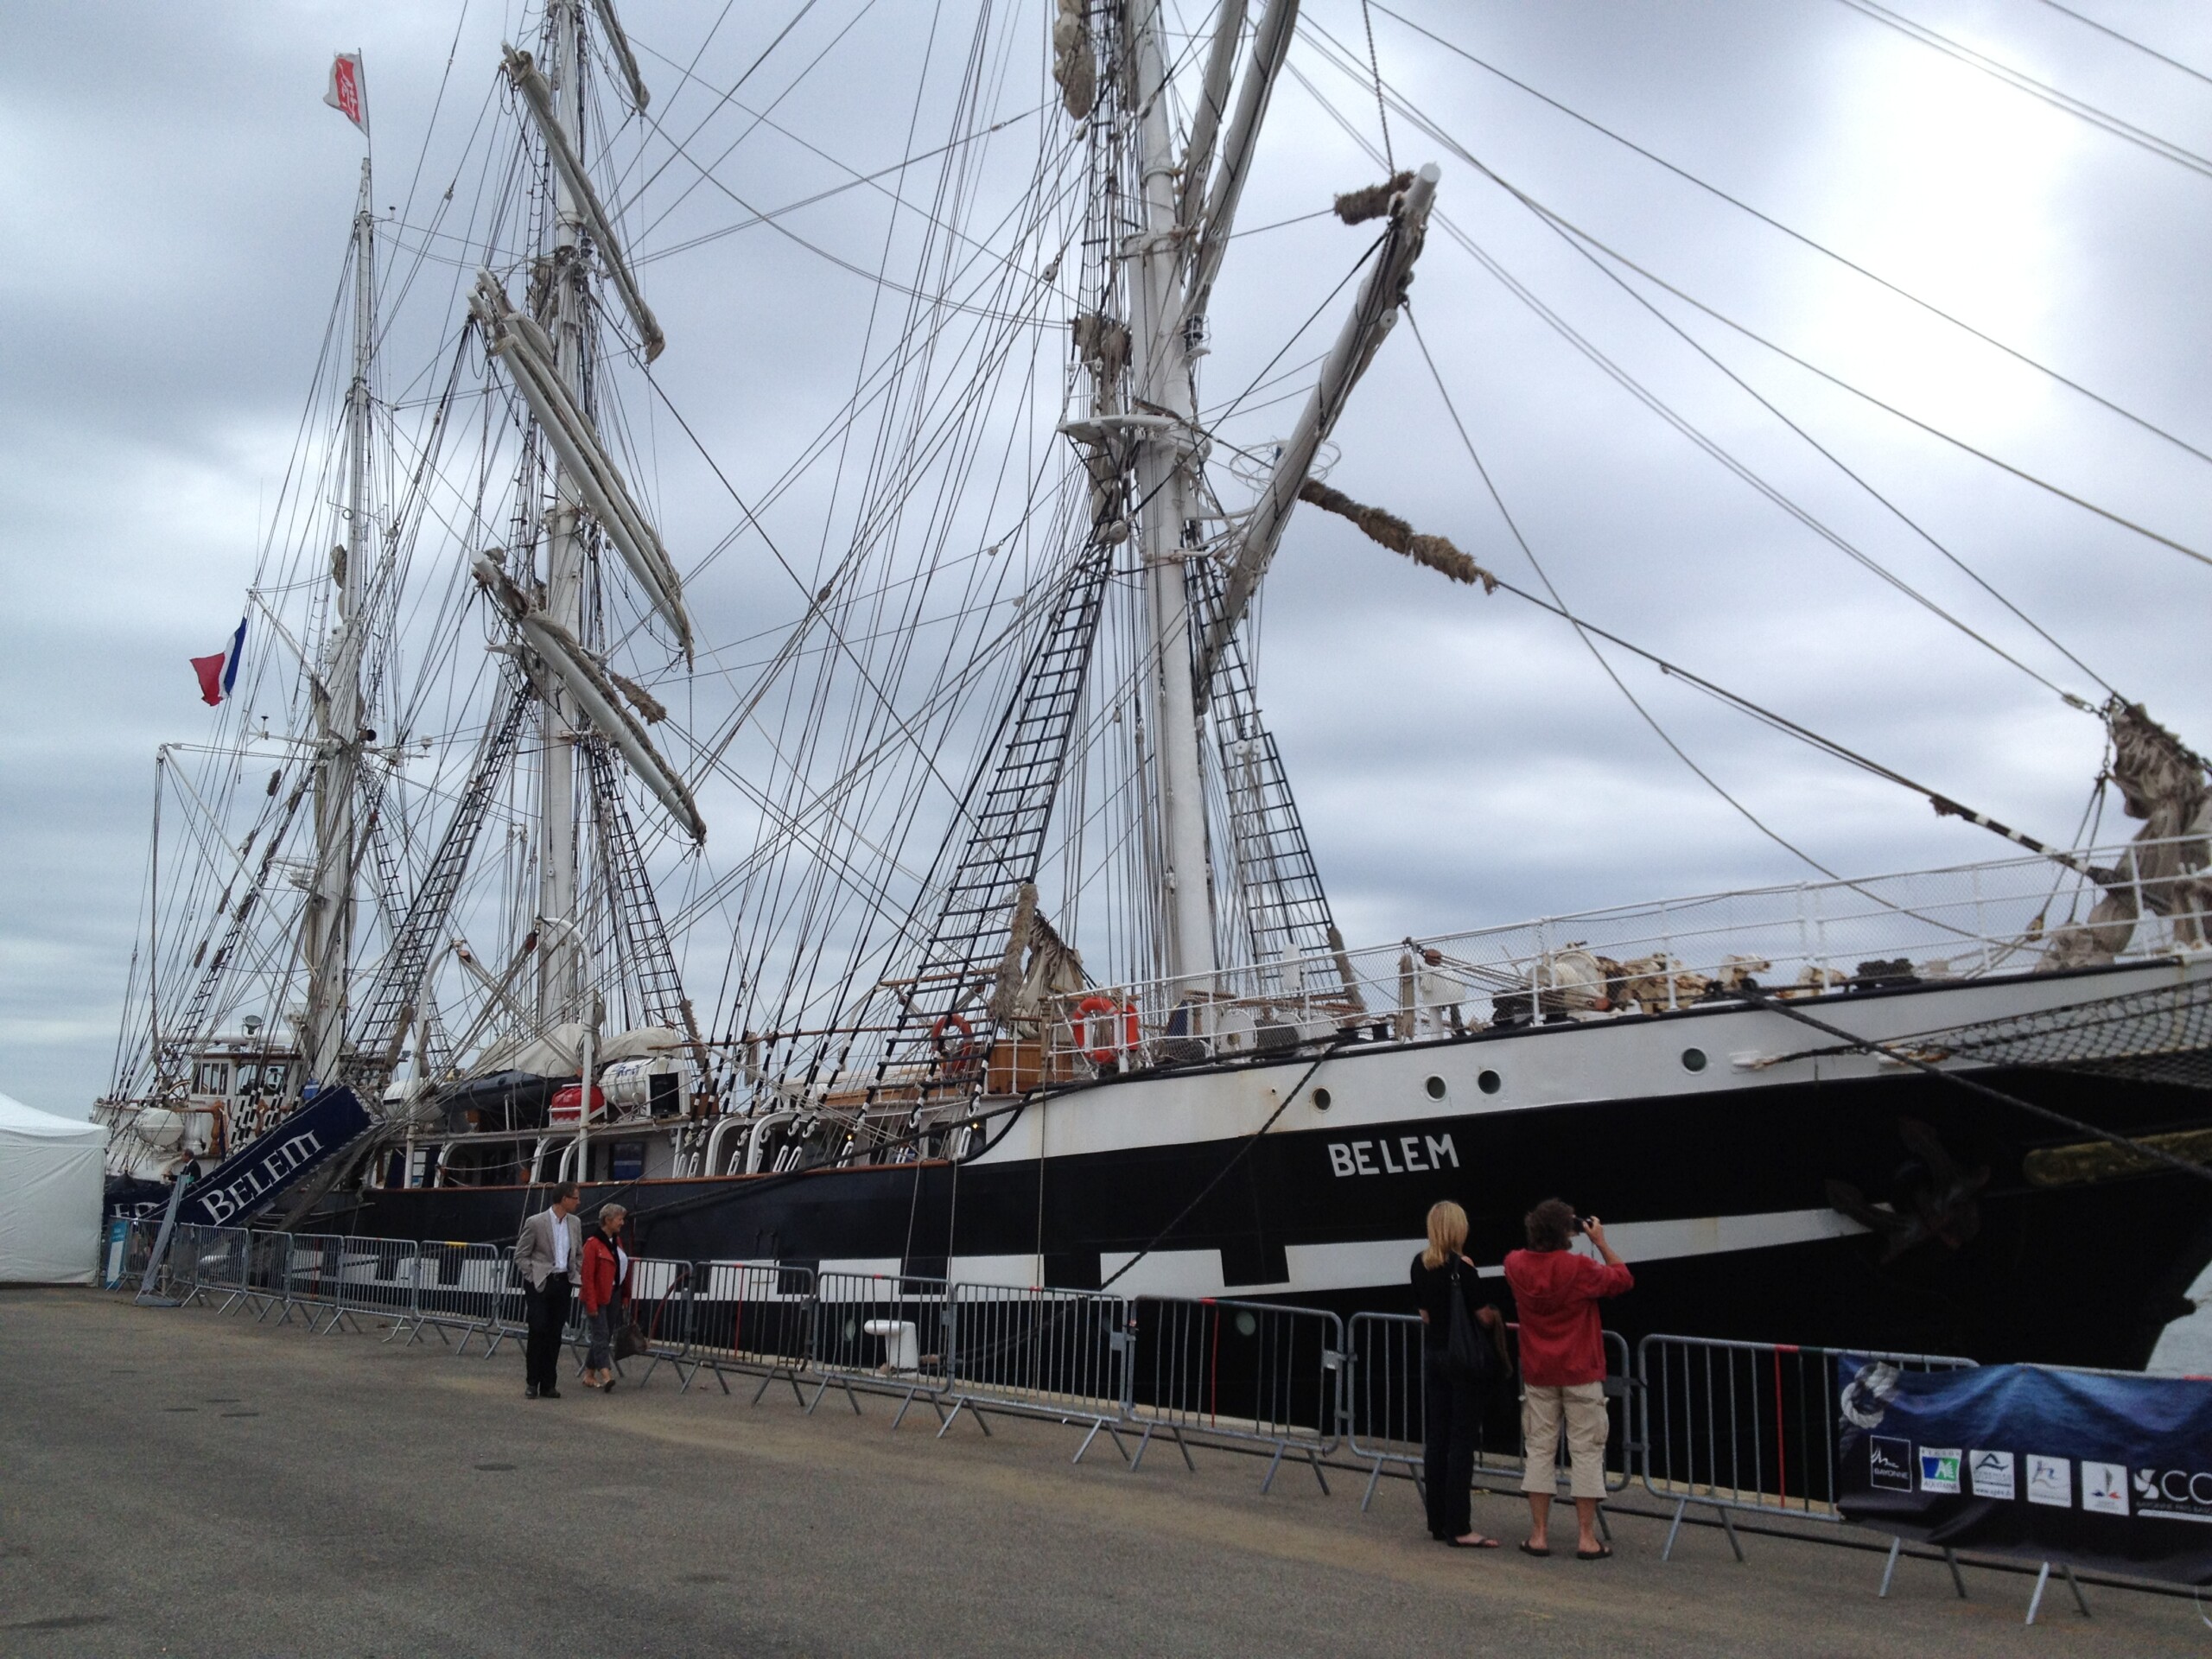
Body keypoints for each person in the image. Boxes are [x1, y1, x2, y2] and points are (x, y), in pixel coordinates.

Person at [1504, 1198, 1633, 1560]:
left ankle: (1539, 1535)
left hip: (1539, 1371)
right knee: (1586, 1451)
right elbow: (1623, 1279)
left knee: (1539, 1450)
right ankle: (1586, 1538)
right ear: (1567, 1233)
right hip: (1580, 1370)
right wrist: (1600, 1242)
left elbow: (1522, 1259)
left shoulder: (1515, 1264)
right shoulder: (1579, 1268)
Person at [1409, 1199, 1507, 1548]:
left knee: (1437, 1438)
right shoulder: (1462, 1269)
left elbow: (1425, 1315)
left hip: (1434, 1356)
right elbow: (1482, 1316)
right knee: (1462, 1442)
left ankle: (1437, 1522)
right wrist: (1496, 1315)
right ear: (1458, 1229)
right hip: (1463, 1362)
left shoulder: (1419, 1264)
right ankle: (1460, 1527)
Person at [515, 1183, 584, 1400]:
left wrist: (576, 1272)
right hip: (540, 1282)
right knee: (538, 1329)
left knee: (555, 1333)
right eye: (575, 1198)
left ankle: (548, 1384)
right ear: (564, 1199)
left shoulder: (575, 1223)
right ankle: (532, 1382)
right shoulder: (536, 1222)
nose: (578, 1202)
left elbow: (578, 1252)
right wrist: (532, 1275)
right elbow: (521, 1254)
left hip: (563, 1282)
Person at [580, 1202, 631, 1393]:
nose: (622, 1223)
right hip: (597, 1296)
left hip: (614, 1294)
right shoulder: (592, 1245)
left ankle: (589, 1374)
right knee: (601, 1335)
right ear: (608, 1220)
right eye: (619, 1219)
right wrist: (591, 1303)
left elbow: (621, 1269)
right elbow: (587, 1276)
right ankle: (606, 1375)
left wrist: (625, 1295)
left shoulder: (617, 1242)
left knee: (605, 1334)